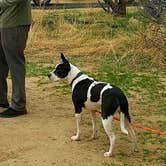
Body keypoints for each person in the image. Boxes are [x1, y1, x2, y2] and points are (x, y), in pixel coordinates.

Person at [0, 0, 32, 118]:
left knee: (15, 63)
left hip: (15, 24)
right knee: (1, 62)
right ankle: (1, 99)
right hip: (5, 22)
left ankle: (18, 105)